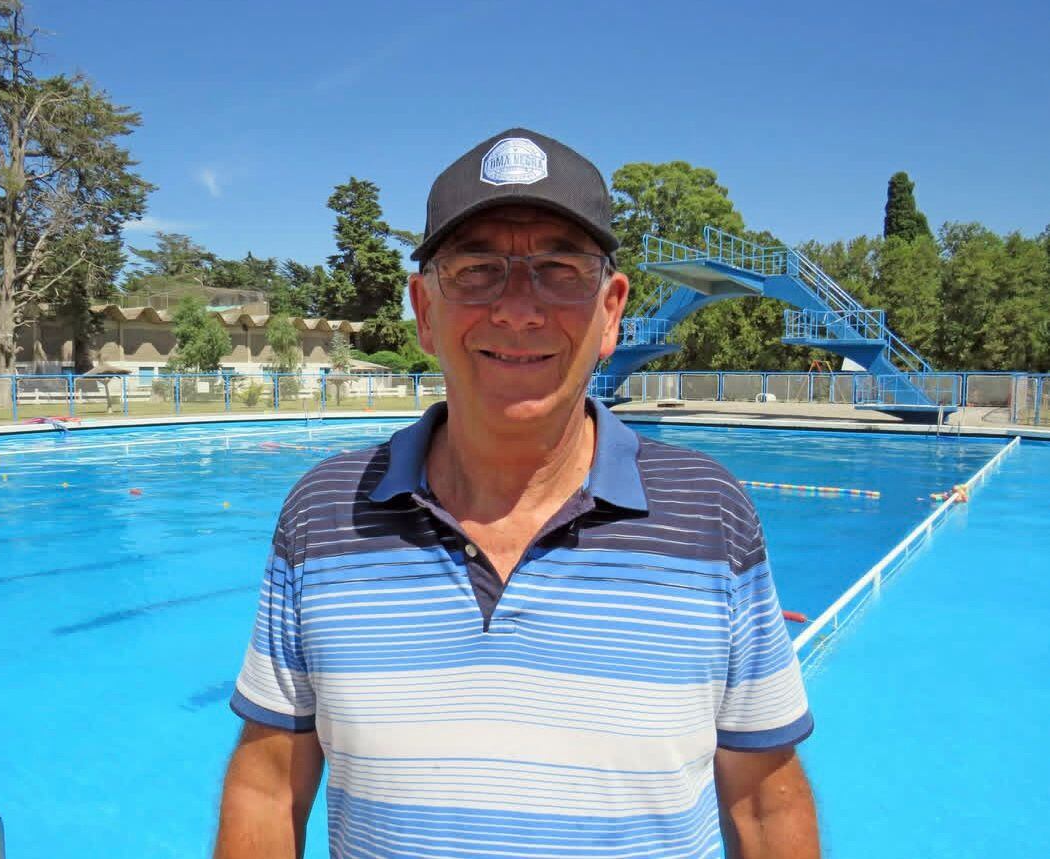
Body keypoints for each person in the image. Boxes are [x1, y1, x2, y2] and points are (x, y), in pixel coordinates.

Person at [214, 128, 819, 859]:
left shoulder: (708, 514)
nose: (519, 309)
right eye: (476, 270)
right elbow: (268, 787)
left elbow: (762, 801)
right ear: (425, 310)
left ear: (612, 309)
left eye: (561, 269)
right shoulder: (325, 513)